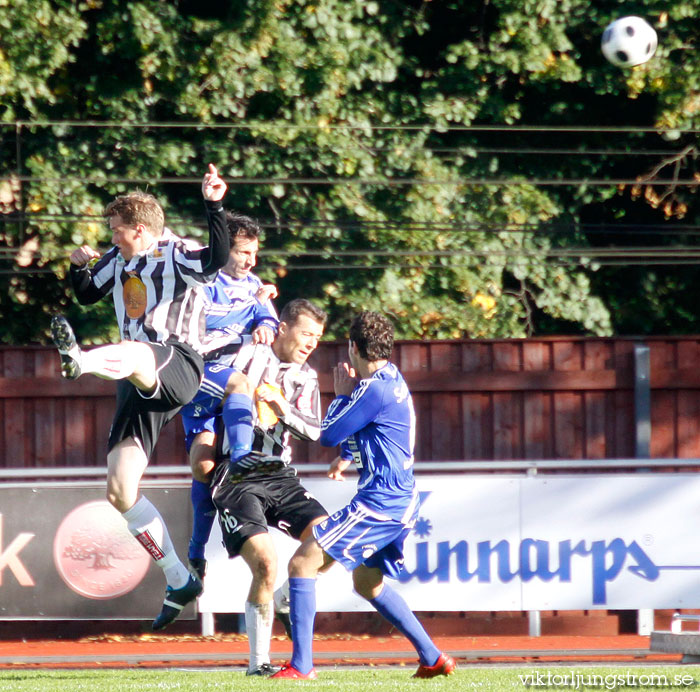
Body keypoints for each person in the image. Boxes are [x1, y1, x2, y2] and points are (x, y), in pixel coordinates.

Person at [50, 164, 230, 631]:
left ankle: (81, 362)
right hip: (137, 376)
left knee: (133, 351)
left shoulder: (176, 252)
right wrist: (77, 268)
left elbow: (216, 259)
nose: (111, 237)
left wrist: (214, 205)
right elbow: (89, 294)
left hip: (179, 361)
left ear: (140, 229)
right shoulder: (119, 258)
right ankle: (177, 577)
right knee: (119, 488)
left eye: (116, 230)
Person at [271, 311, 456, 680]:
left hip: (380, 503)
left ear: (353, 347)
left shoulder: (373, 389)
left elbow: (328, 433)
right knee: (366, 583)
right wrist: (347, 459)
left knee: (302, 564)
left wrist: (340, 396)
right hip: (400, 500)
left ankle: (301, 667)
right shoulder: (391, 381)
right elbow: (379, 432)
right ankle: (433, 657)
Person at [207, 298, 329, 676]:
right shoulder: (243, 354)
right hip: (237, 473)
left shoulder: (306, 377)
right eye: (306, 333)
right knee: (266, 562)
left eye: (318, 337)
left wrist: (282, 407)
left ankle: (285, 599)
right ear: (283, 328)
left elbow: (315, 430)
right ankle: (258, 664)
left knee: (333, 539)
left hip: (279, 473)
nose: (311, 343)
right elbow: (203, 377)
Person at [180, 211, 279, 583]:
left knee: (202, 467)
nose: (250, 260)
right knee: (240, 384)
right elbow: (194, 328)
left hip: (221, 381)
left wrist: (266, 327)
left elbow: (268, 320)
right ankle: (241, 468)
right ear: (224, 251)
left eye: (254, 253)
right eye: (242, 252)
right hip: (195, 371)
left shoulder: (255, 286)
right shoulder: (202, 284)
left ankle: (195, 553)